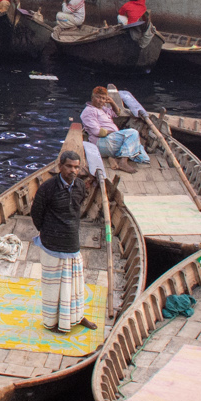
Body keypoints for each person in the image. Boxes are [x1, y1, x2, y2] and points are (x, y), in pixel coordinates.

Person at [30, 150, 94, 332]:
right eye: (69, 166)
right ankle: (52, 322)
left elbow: (76, 208)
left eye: (76, 167)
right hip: (51, 243)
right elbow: (36, 214)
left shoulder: (80, 186)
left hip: (72, 240)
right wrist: (48, 232)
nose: (73, 170)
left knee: (74, 283)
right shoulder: (47, 188)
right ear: (60, 167)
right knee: (53, 286)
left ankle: (76, 316)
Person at [81, 86, 150, 168]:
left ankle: (116, 158)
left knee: (144, 158)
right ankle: (123, 162)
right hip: (100, 142)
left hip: (111, 141)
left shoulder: (103, 109)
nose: (100, 101)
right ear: (92, 98)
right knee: (133, 133)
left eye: (103, 98)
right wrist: (115, 133)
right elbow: (98, 132)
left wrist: (112, 102)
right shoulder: (89, 111)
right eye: (98, 97)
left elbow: (117, 113)